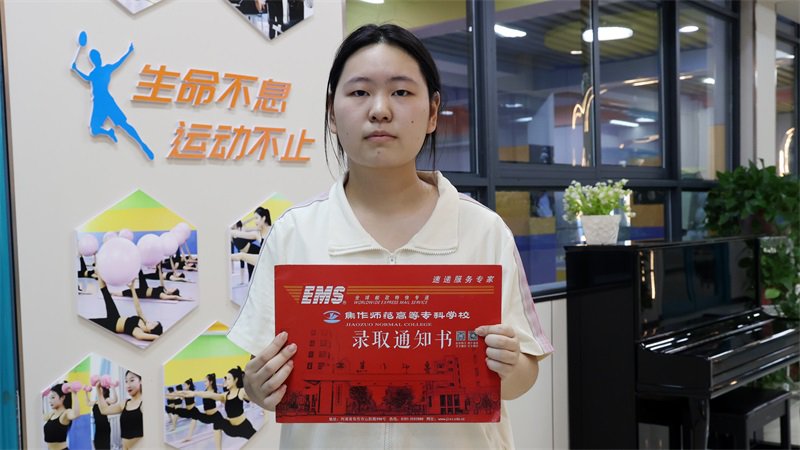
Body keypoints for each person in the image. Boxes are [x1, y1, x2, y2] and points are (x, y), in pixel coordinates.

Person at [228, 23, 553, 448]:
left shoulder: (484, 230)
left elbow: (524, 375)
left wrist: (510, 365)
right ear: (332, 113)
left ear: (433, 112)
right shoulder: (295, 233)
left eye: (401, 92)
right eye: (360, 92)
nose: (380, 110)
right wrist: (257, 386)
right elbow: (260, 376)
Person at [178, 367, 257, 445]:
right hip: (231, 428)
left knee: (258, 440)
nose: (226, 381)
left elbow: (254, 398)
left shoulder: (241, 391)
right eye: (226, 379)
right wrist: (195, 393)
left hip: (244, 427)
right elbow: (210, 395)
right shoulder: (224, 395)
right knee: (217, 422)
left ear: (236, 380)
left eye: (228, 379)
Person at [90, 276, 163, 341]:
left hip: (111, 324)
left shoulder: (138, 331)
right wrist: (132, 289)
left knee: (90, 322)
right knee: (106, 293)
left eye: (152, 325)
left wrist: (159, 337)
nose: (151, 322)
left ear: (150, 331)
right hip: (116, 317)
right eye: (153, 322)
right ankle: (99, 273)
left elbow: (142, 337)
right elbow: (138, 307)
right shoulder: (144, 321)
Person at [96, 371, 143, 450]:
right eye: (126, 381)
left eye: (132, 380)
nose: (128, 385)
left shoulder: (145, 404)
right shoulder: (124, 403)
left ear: (141, 381)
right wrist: (98, 390)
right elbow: (104, 410)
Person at [43, 382, 79, 450]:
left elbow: (76, 414)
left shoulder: (66, 413)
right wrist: (41, 397)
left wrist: (74, 393)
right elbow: (40, 417)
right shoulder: (52, 414)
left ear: (62, 397)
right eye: (50, 398)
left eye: (53, 397)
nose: (50, 401)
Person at [85, 383, 117, 449]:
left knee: (105, 446)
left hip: (104, 427)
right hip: (98, 427)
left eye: (100, 388)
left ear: (104, 391)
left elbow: (114, 400)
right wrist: (86, 392)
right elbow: (88, 403)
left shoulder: (106, 400)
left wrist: (113, 387)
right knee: (97, 445)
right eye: (98, 388)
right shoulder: (96, 401)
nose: (98, 389)